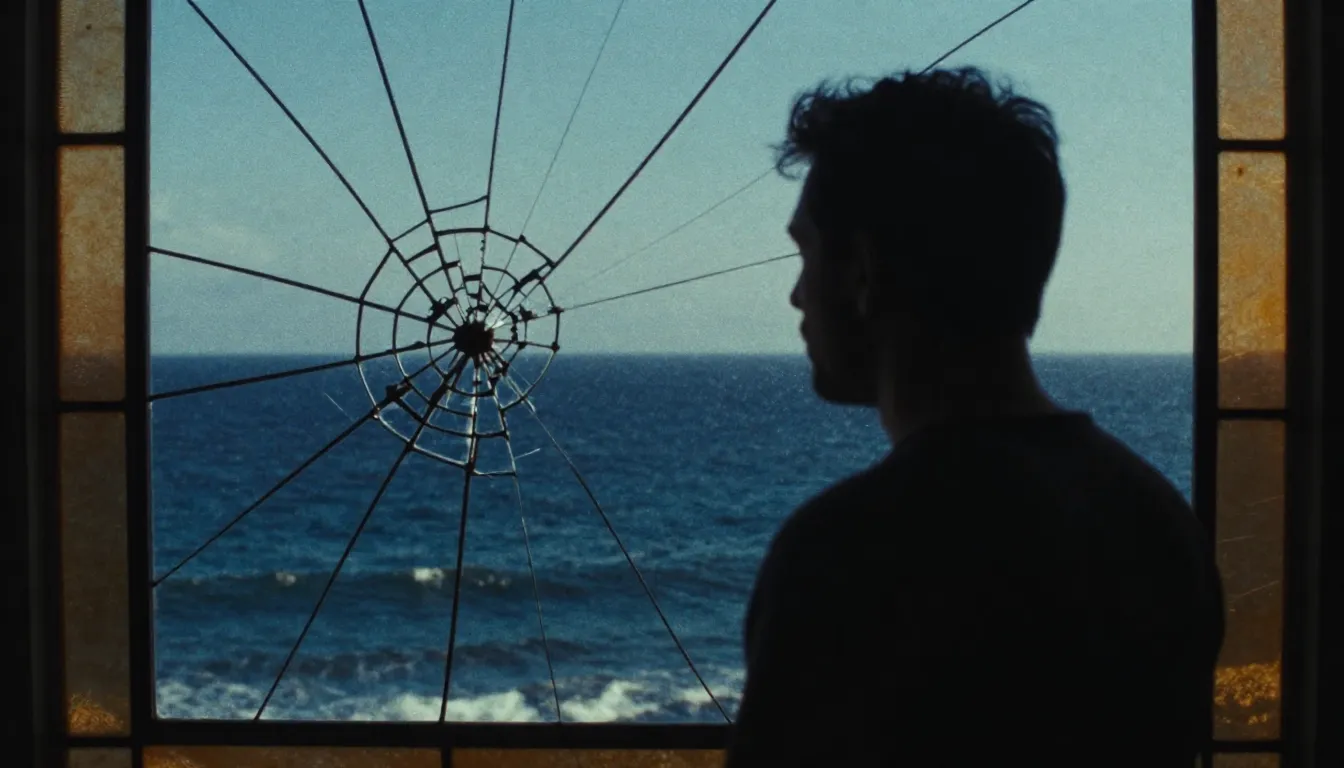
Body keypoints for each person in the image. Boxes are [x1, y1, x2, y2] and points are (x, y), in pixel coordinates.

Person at [724, 67, 1224, 767]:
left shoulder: (850, 554)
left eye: (805, 254)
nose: (796, 295)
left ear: (863, 273)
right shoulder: (1157, 524)